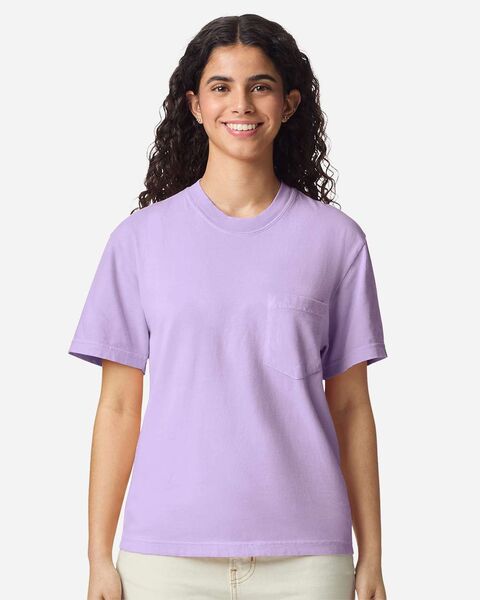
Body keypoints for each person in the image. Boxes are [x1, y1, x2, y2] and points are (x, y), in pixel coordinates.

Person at [68, 13, 388, 600]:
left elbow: (350, 408)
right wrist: (97, 558)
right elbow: (117, 407)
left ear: (289, 104)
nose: (241, 104)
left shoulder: (337, 241)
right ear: (195, 105)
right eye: (221, 86)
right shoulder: (139, 241)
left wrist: (372, 557)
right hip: (164, 557)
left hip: (306, 557)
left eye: (260, 86)